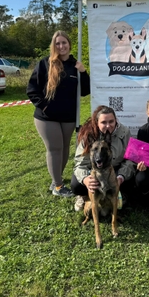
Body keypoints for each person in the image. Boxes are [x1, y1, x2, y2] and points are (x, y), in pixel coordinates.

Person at [27, 30, 90, 197]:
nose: (61, 46)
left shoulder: (75, 65)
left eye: (64, 42)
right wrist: (44, 107)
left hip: (68, 116)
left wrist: (83, 72)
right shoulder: (45, 63)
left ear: (69, 44)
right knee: (55, 149)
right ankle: (58, 186)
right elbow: (32, 90)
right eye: (58, 43)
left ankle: (56, 180)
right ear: (53, 46)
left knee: (64, 151)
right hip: (47, 117)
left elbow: (85, 91)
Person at [71, 105, 135, 211]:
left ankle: (119, 195)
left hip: (114, 170)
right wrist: (85, 179)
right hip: (94, 171)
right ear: (97, 123)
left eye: (111, 121)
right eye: (103, 122)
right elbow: (80, 163)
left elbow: (130, 159)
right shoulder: (88, 135)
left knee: (132, 178)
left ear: (116, 120)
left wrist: (121, 177)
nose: (108, 126)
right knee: (76, 185)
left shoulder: (125, 132)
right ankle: (84, 196)